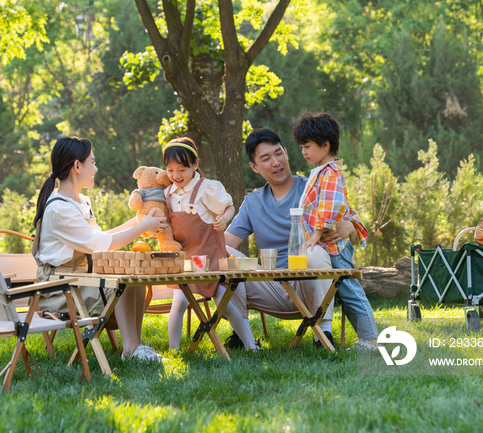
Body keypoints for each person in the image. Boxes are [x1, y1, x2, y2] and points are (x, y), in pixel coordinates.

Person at [225, 128, 378, 350]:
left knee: (313, 251)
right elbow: (225, 242)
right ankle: (244, 339)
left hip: (311, 286)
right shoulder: (252, 203)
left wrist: (349, 226)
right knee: (225, 255)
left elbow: (353, 231)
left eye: (278, 153)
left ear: (286, 153)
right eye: (266, 159)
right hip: (272, 287)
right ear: (255, 167)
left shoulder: (314, 187)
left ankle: (322, 334)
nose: (276, 162)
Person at [32, 136, 169, 361]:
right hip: (59, 288)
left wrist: (139, 222)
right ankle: (131, 351)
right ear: (77, 166)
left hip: (81, 279)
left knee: (135, 277)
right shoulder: (59, 209)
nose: (96, 168)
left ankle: (136, 348)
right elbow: (100, 245)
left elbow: (99, 238)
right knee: (121, 282)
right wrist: (143, 225)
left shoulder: (82, 201)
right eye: (92, 162)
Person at [162, 137, 260, 351]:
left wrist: (224, 218)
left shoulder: (207, 188)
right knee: (178, 303)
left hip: (210, 257)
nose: (176, 176)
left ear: (195, 164)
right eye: (170, 170)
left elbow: (229, 207)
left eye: (182, 169)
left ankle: (251, 344)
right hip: (186, 261)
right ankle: (174, 351)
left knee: (225, 305)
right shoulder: (167, 193)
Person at [293, 112, 377, 350]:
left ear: (325, 145)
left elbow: (328, 207)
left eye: (307, 146)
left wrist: (317, 235)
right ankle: (364, 338)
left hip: (333, 244)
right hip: (328, 242)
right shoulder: (323, 170)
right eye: (302, 147)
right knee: (345, 287)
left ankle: (369, 339)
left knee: (349, 288)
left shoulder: (330, 172)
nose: (304, 152)